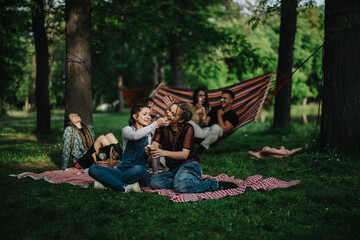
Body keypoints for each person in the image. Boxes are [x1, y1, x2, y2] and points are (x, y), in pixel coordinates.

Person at [147, 100, 240, 193]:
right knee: (154, 183)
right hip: (173, 169)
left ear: (180, 120)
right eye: (169, 110)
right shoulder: (162, 126)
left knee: (180, 188)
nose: (168, 114)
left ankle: (214, 184)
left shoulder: (188, 128)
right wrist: (151, 148)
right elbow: (155, 143)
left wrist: (163, 152)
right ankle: (189, 182)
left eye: (173, 113)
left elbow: (184, 155)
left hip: (189, 165)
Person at [88, 104, 169, 192]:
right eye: (145, 114)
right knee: (92, 169)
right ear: (135, 116)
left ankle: (108, 182)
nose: (148, 117)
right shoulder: (127, 130)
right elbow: (135, 136)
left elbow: (164, 124)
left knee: (138, 169)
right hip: (122, 170)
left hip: (139, 172)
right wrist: (155, 124)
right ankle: (124, 187)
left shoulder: (152, 133)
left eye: (149, 115)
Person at [196, 89, 239, 157]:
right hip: (205, 132)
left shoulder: (233, 116)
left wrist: (219, 114)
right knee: (189, 123)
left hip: (216, 134)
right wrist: (201, 119)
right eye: (221, 98)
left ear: (231, 100)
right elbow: (205, 123)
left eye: (225, 98)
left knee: (216, 127)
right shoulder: (215, 109)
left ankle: (201, 149)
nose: (222, 100)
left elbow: (224, 129)